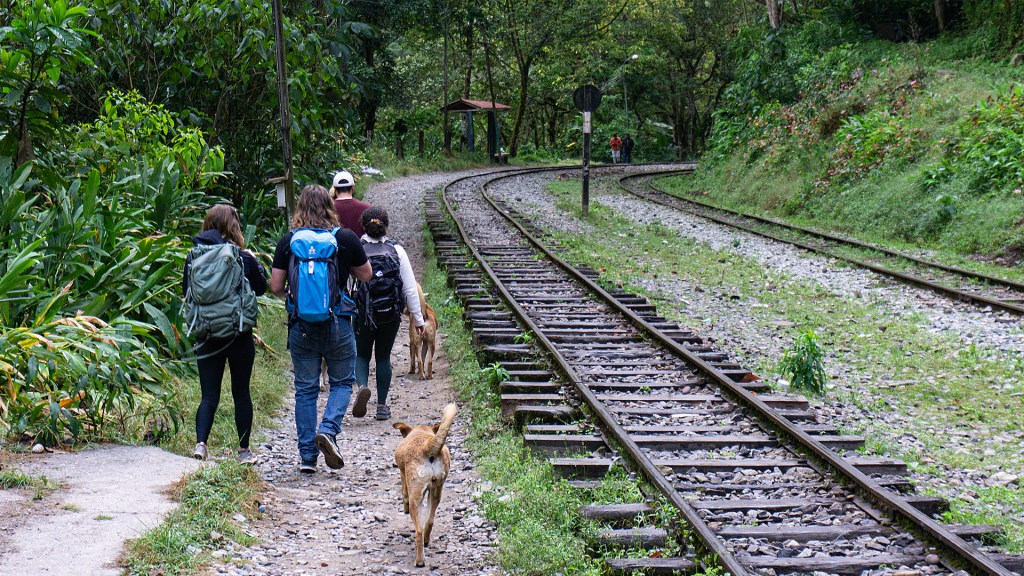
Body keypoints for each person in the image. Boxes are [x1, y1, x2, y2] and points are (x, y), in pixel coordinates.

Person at [270, 185, 372, 473]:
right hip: (338, 323)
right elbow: (366, 274)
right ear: (330, 206)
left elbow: (276, 286)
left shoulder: (289, 240)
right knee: (341, 382)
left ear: (300, 208)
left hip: (301, 326)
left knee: (305, 390)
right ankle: (328, 430)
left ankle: (306, 458)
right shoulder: (344, 238)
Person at [185, 204, 267, 464]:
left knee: (209, 394)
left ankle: (201, 444)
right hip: (238, 333)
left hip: (206, 333)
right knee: (241, 392)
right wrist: (254, 262)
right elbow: (261, 288)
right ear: (233, 227)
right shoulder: (241, 257)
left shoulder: (194, 256)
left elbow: (186, 290)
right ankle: (243, 451)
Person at [353, 207, 426, 421]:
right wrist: (419, 320)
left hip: (363, 313)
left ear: (363, 225)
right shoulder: (397, 251)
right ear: (386, 226)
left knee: (362, 354)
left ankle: (363, 387)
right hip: (390, 314)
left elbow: (348, 283)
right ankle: (382, 406)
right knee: (383, 357)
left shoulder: (357, 248)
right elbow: (410, 288)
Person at [332, 170, 371, 238]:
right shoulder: (367, 208)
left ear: (334, 188)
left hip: (334, 248)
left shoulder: (327, 209)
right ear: (353, 187)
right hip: (360, 248)